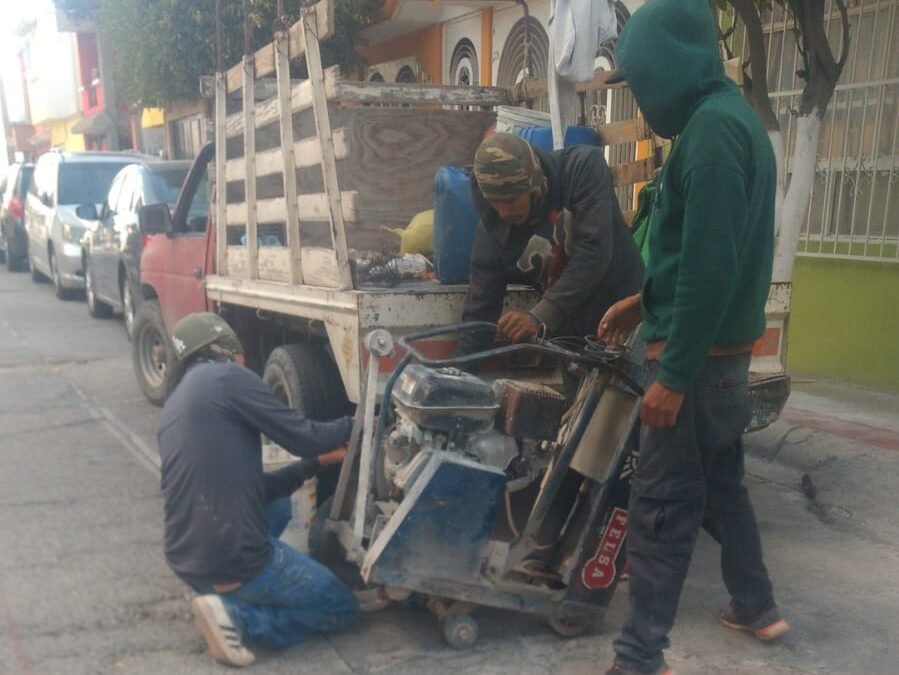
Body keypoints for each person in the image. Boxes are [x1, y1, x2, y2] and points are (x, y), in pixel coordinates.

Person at [597, 1, 789, 673]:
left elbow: (708, 270)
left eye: (642, 83)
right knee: (722, 490)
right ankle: (756, 606)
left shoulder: (708, 137)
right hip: (724, 369)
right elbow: (702, 256)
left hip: (694, 366)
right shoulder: (735, 125)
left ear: (668, 67)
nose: (643, 103)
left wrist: (672, 375)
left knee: (658, 511)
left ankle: (637, 656)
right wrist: (638, 300)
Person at [158, 312, 358, 667]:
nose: (244, 359)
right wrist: (357, 423)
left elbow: (254, 489)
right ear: (225, 347)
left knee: (282, 507)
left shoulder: (176, 403)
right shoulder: (227, 377)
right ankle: (239, 617)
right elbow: (305, 436)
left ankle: (221, 600)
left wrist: (314, 465)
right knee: (341, 606)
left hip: (188, 560)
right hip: (233, 557)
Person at [461, 132, 644, 351]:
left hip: (629, 321)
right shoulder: (492, 230)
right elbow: (480, 310)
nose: (503, 212)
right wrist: (458, 375)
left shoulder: (581, 169)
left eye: (511, 200)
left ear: (535, 184)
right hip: (572, 341)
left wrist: (538, 317)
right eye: (494, 202)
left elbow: (593, 253)